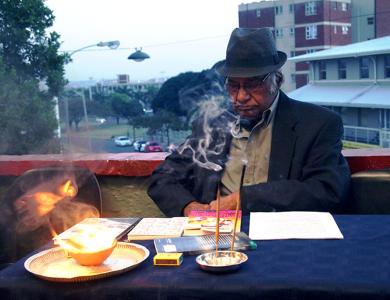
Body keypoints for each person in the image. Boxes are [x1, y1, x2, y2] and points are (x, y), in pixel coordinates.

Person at [148, 27, 350, 217]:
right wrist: (189, 208)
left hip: (280, 236)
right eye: (233, 86)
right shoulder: (211, 125)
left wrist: (245, 199)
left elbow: (326, 189)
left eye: (253, 85)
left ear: (277, 80)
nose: (241, 97)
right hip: (217, 235)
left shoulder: (318, 124)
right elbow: (162, 178)